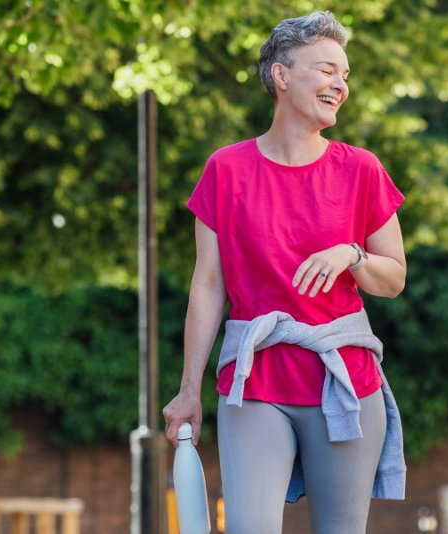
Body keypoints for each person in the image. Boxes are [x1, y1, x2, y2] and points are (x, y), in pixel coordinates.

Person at [161, 11, 408, 534]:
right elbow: (208, 286)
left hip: (345, 385)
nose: (340, 85)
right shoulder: (225, 170)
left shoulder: (362, 168)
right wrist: (188, 391)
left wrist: (352, 255)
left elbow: (393, 278)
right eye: (326, 70)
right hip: (255, 382)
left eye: (345, 75)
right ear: (281, 75)